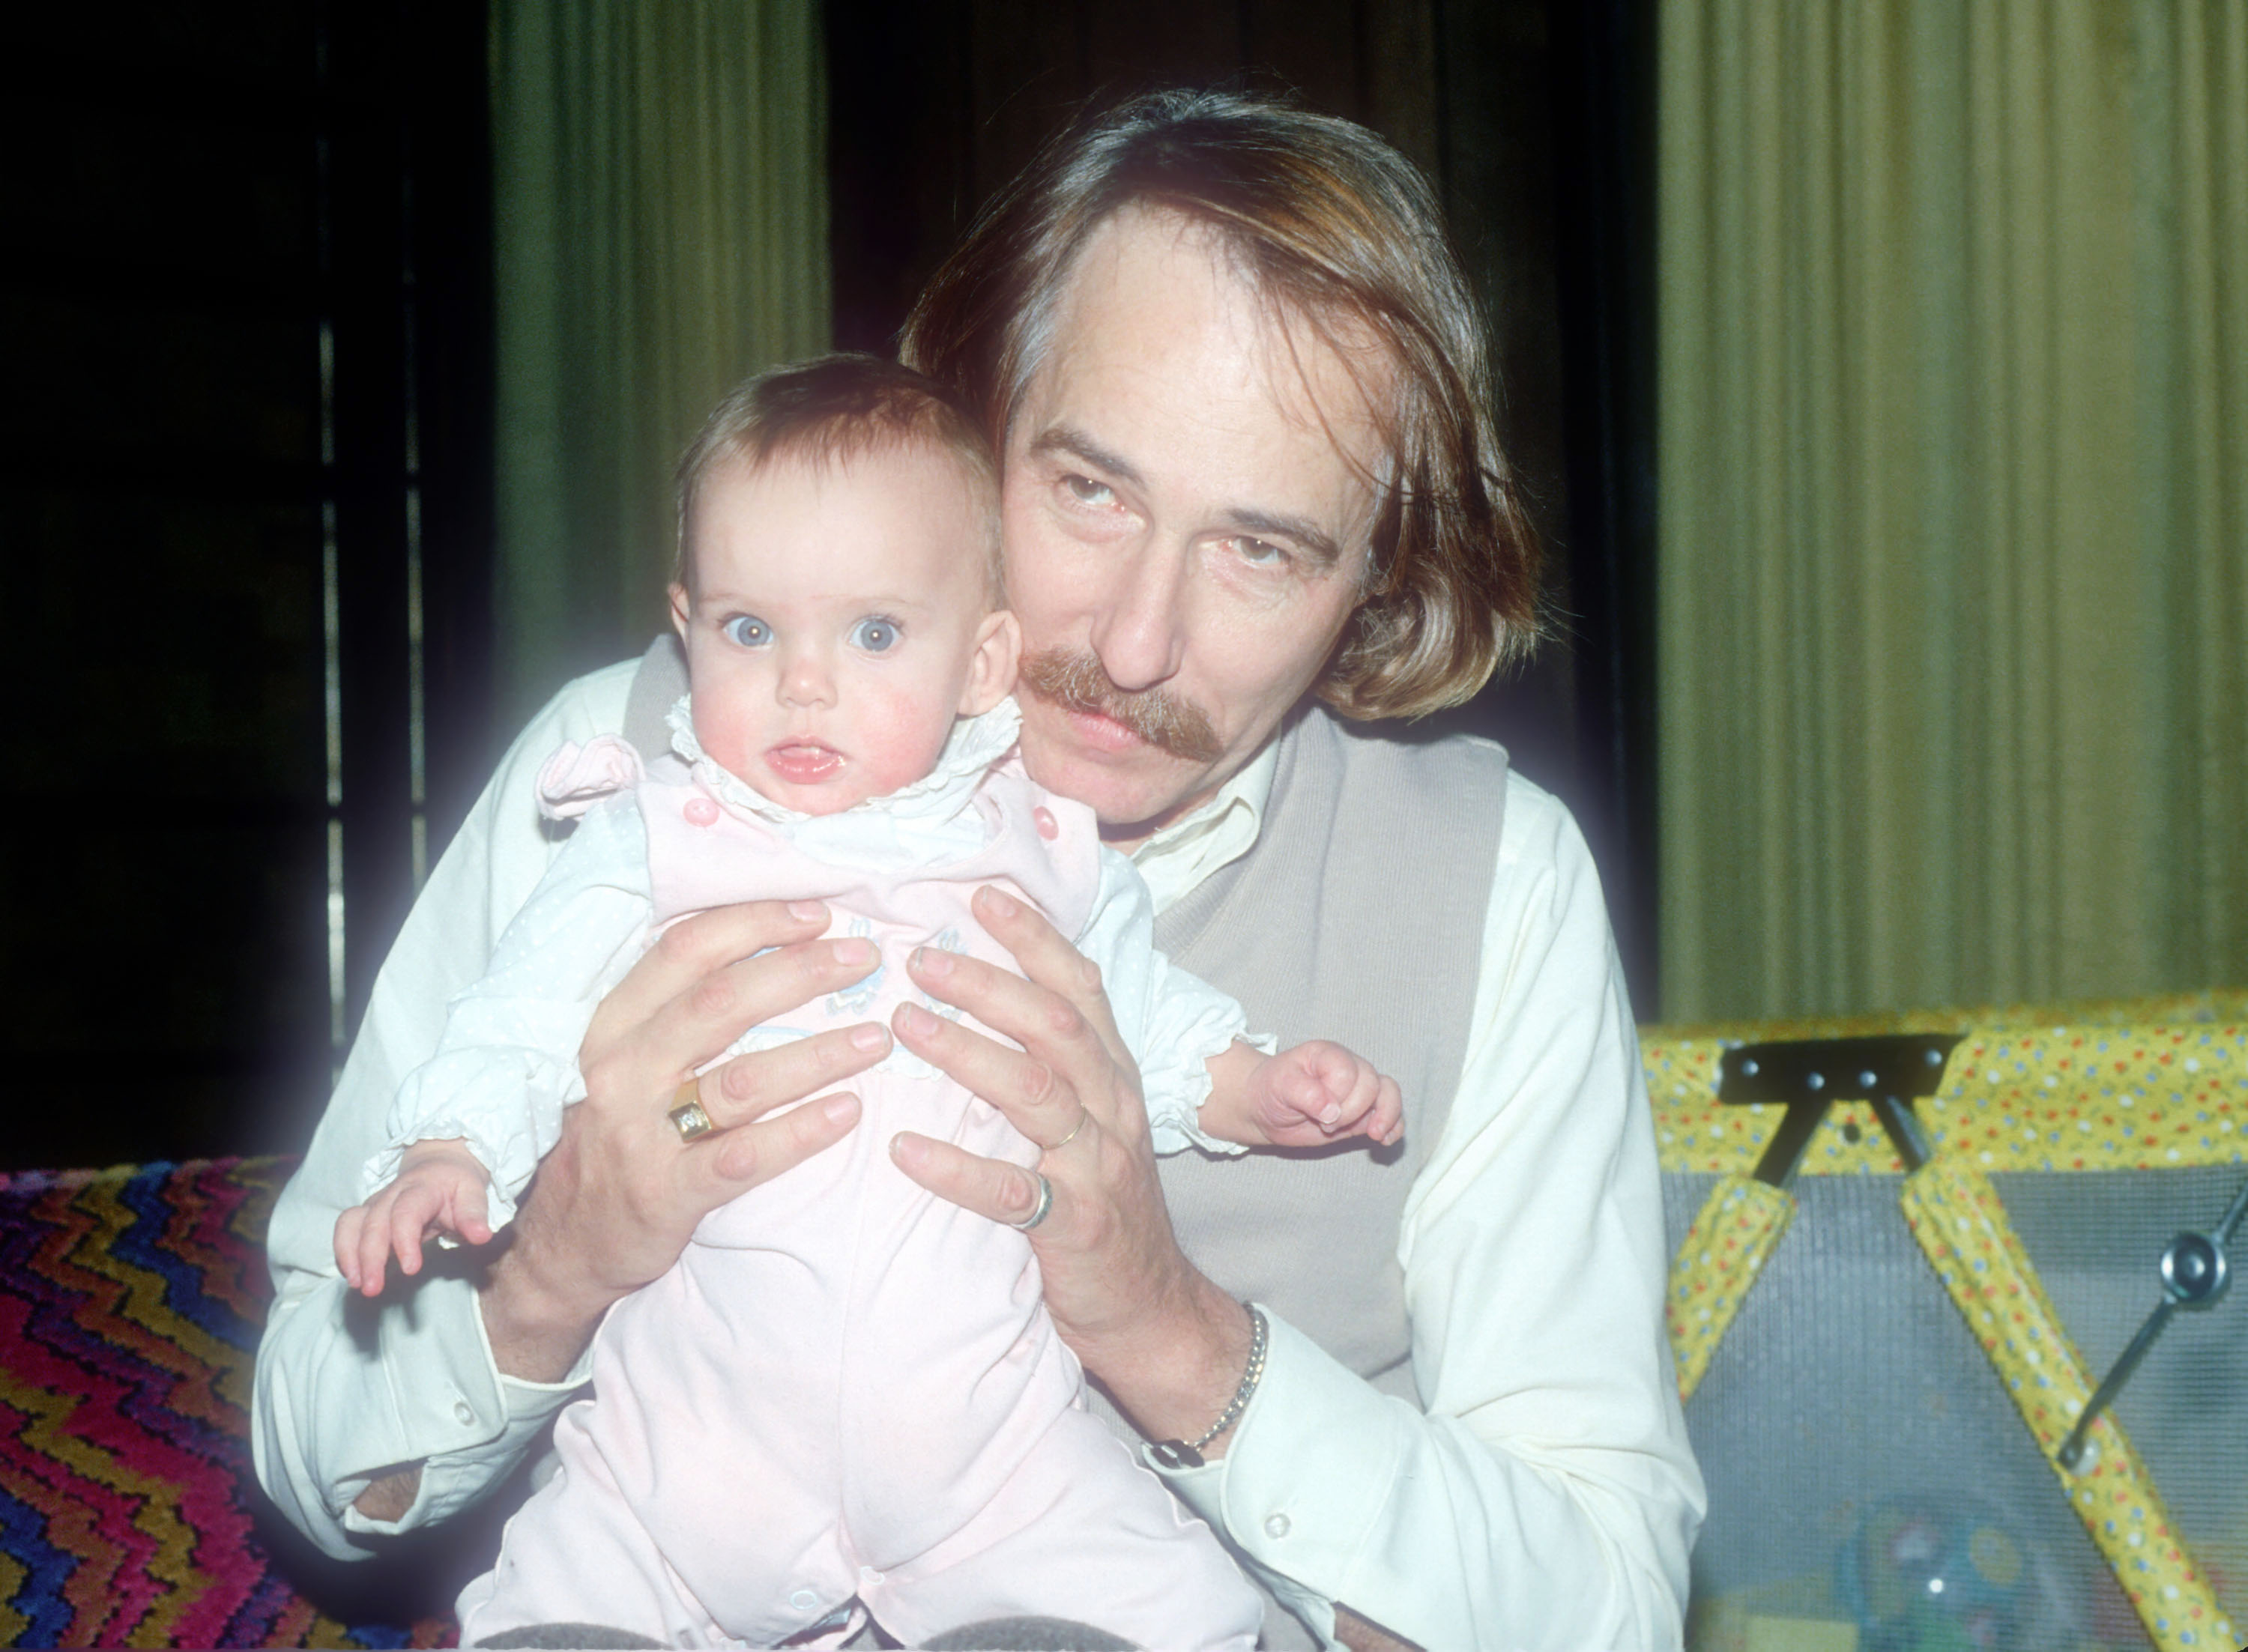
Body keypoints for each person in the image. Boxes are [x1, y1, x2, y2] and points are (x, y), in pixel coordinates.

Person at [253, 89, 1703, 1651]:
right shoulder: (622, 771)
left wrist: (1177, 1335)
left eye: (1261, 549)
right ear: (977, 409)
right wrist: (551, 1271)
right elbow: (311, 1448)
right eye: (1088, 487)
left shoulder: (1491, 884)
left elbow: (1606, 1608)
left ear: (1376, 586)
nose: (1135, 640)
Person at [337, 354, 1398, 1648]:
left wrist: (1254, 1087)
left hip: (991, 1469)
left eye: (875, 633)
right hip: (682, 1469)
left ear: (981, 661)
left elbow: (1144, 1018)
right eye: (749, 629)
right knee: (560, 1622)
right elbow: (517, 1009)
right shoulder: (653, 836)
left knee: (1121, 1621)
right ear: (686, 628)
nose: (802, 680)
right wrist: (450, 1148)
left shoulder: (1039, 845)